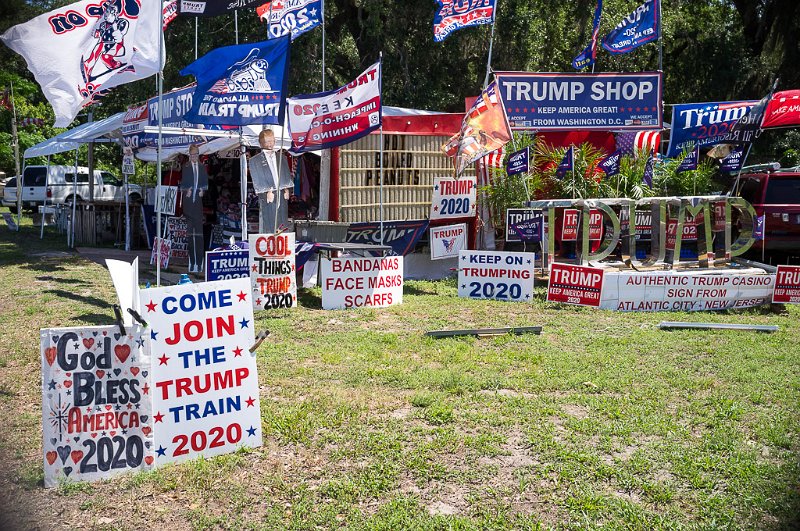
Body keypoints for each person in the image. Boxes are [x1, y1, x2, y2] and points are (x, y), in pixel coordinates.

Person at [248, 128, 293, 233]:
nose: (269, 144)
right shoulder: (255, 160)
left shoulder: (282, 157)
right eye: (266, 142)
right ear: (261, 143)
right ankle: (271, 239)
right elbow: (257, 178)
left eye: (271, 141)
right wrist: (266, 191)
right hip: (268, 193)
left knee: (282, 216)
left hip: (281, 191)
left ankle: (282, 238)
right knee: (270, 217)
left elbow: (286, 173)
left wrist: (287, 188)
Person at [180, 144, 209, 274]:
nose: (194, 157)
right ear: (189, 155)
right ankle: (192, 262)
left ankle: (200, 261)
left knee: (199, 234)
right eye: (192, 155)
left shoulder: (203, 167)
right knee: (190, 234)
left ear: (198, 154)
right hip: (188, 204)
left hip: (198, 204)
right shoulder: (185, 168)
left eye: (196, 154)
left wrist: (203, 189)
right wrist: (186, 190)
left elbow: (205, 183)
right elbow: (183, 184)